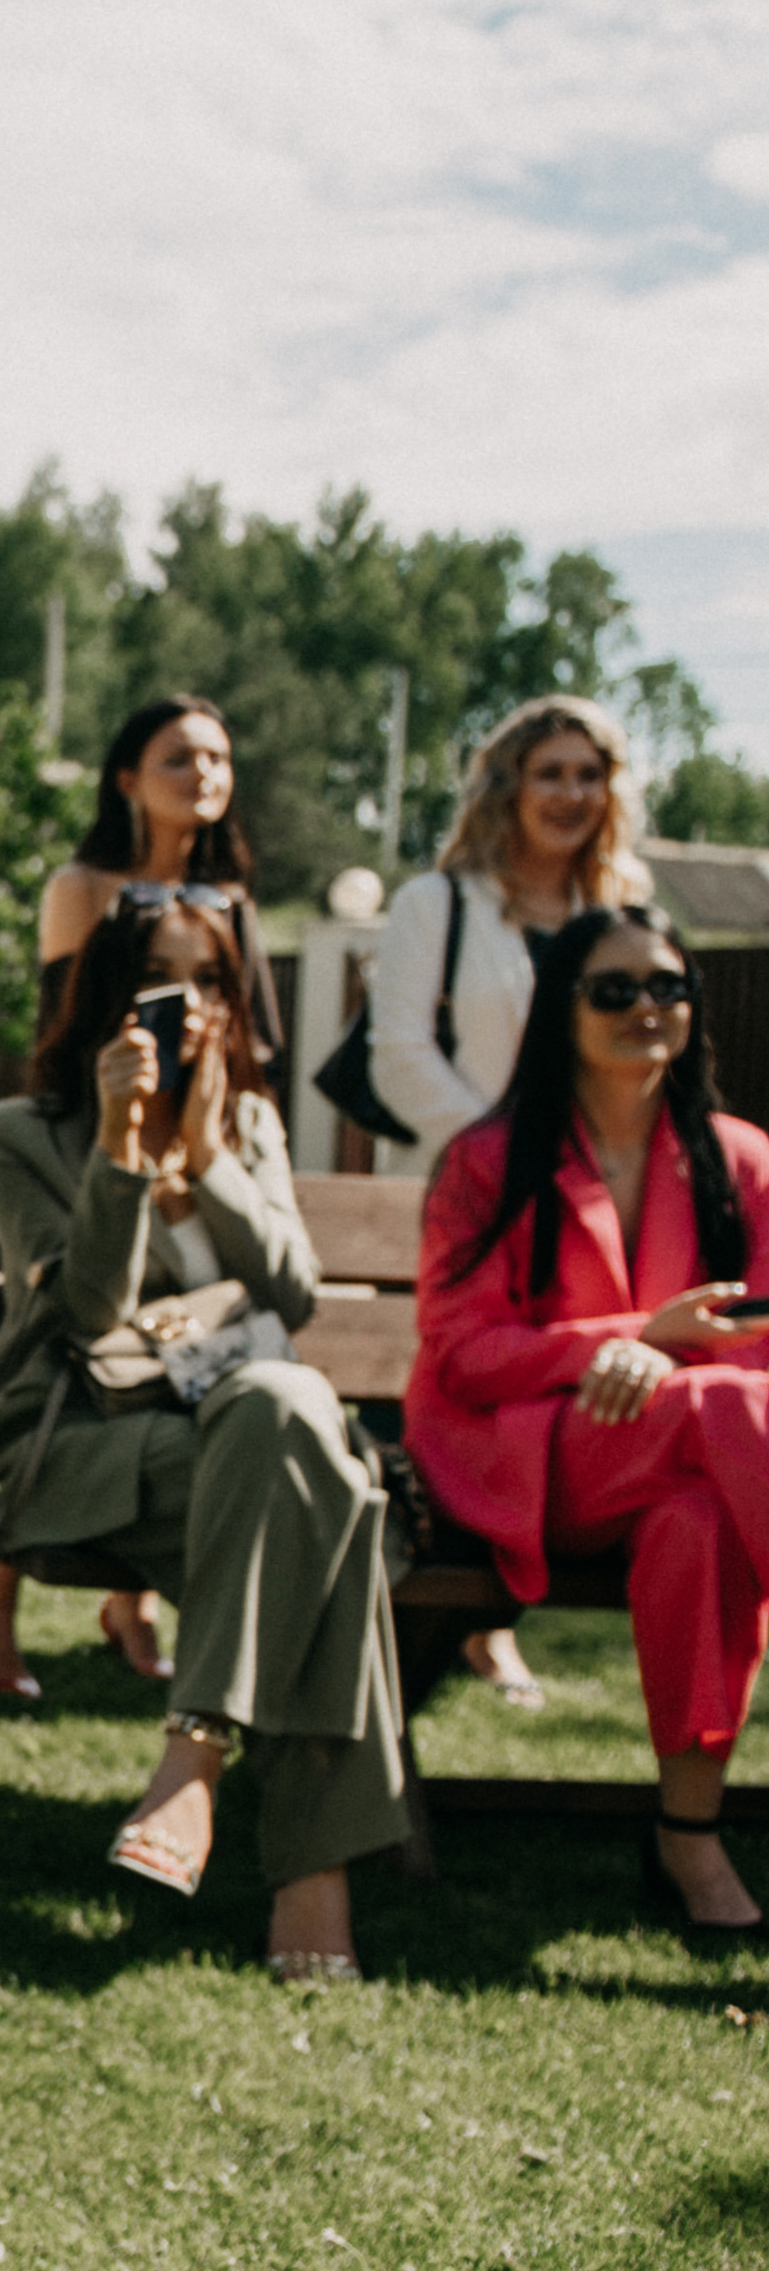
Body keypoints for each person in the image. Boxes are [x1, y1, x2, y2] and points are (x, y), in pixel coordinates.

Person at [0, 893, 406, 1981]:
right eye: (160, 979)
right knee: (322, 1498)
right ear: (111, 999)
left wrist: (204, 1153)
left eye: (209, 979)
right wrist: (121, 1152)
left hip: (234, 1446)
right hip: (79, 1447)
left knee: (278, 1412)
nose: (191, 1005)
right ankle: (314, 1877)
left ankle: (196, 1747)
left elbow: (293, 1293)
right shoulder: (21, 1132)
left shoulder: (246, 1125)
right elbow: (78, 1311)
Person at [407, 907, 769, 1936]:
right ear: (561, 1008)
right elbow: (461, 1355)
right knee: (720, 1402)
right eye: (613, 988)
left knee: (697, 1525)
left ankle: (686, 1838)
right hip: (522, 1460)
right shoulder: (490, 1158)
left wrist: (658, 1355)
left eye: (666, 985)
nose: (645, 1006)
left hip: (697, 1466)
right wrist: (627, 1336)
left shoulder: (741, 1161)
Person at [0, 691, 284, 1703]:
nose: (203, 774)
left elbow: (254, 1033)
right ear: (127, 774)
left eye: (218, 758)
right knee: (92, 1331)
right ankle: (2, 1599)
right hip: (100, 1110)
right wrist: (123, 1124)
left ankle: (140, 1607)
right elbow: (77, 1010)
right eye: (180, 755)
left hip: (203, 1140)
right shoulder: (85, 884)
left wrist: (222, 1135)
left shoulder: (230, 893)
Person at [366, 696, 648, 1712]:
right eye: (551, 773)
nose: (571, 793)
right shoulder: (436, 906)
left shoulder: (623, 913)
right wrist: (507, 1161)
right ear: (508, 787)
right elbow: (397, 1054)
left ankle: (493, 1623)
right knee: (477, 1387)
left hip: (591, 1213)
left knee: (569, 1387)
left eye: (589, 774)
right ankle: (451, 1622)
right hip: (469, 1198)